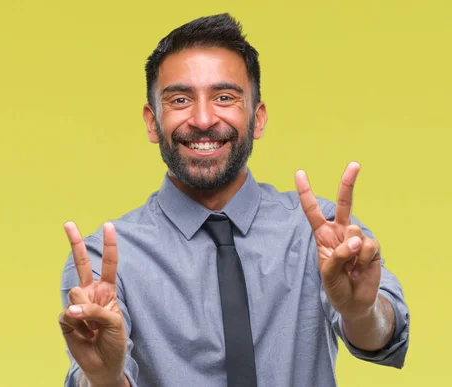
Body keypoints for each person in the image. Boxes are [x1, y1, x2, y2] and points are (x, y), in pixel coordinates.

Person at [58, 13, 410, 387]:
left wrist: (362, 312)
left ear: (257, 119)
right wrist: (103, 375)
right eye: (180, 99)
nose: (204, 118)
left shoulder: (321, 232)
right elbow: (99, 371)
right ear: (152, 122)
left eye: (224, 97)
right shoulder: (103, 260)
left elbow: (382, 335)